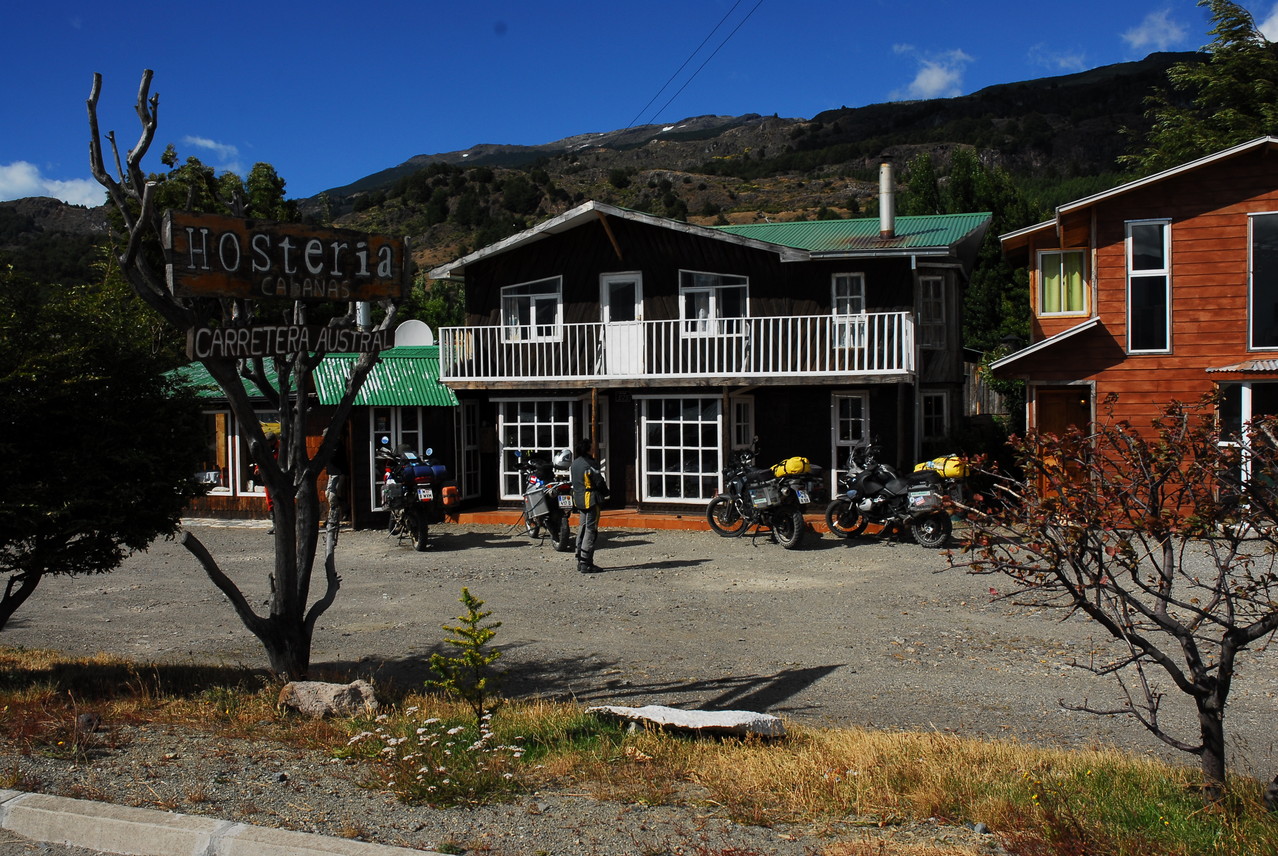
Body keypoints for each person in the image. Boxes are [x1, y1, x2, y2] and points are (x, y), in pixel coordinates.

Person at [570, 437, 609, 573]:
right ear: (587, 449)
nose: (593, 449)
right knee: (591, 530)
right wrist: (606, 493)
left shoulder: (574, 463)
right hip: (590, 499)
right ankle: (586, 561)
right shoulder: (590, 464)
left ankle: (579, 557)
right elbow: (598, 481)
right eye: (591, 447)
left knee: (582, 527)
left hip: (578, 499)